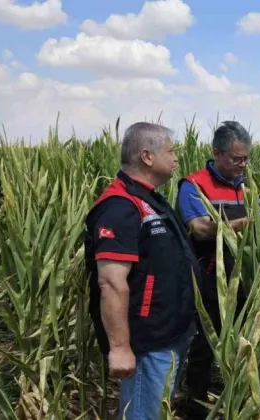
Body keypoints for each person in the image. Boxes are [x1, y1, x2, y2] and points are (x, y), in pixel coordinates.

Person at [83, 122, 200, 419]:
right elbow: (110, 282)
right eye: (171, 151)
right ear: (147, 156)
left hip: (168, 333)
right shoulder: (120, 207)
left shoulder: (151, 200)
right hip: (147, 341)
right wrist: (120, 348)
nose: (176, 159)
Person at [176, 120, 260, 418]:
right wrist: (247, 222)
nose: (242, 164)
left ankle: (235, 401)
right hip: (208, 280)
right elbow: (199, 229)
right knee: (204, 344)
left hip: (244, 281)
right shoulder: (194, 185)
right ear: (216, 152)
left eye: (246, 158)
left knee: (243, 341)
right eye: (237, 158)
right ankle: (196, 407)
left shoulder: (245, 186)